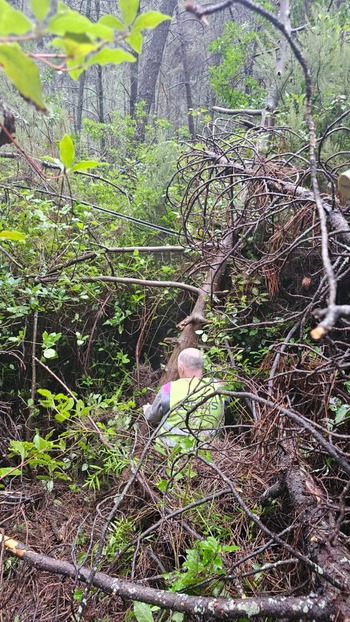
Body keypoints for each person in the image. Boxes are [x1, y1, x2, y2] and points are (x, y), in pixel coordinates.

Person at [143, 348, 225, 447]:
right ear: (202, 366)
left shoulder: (168, 389)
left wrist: (147, 410)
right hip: (210, 455)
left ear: (181, 368)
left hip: (168, 454)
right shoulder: (220, 386)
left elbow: (153, 417)